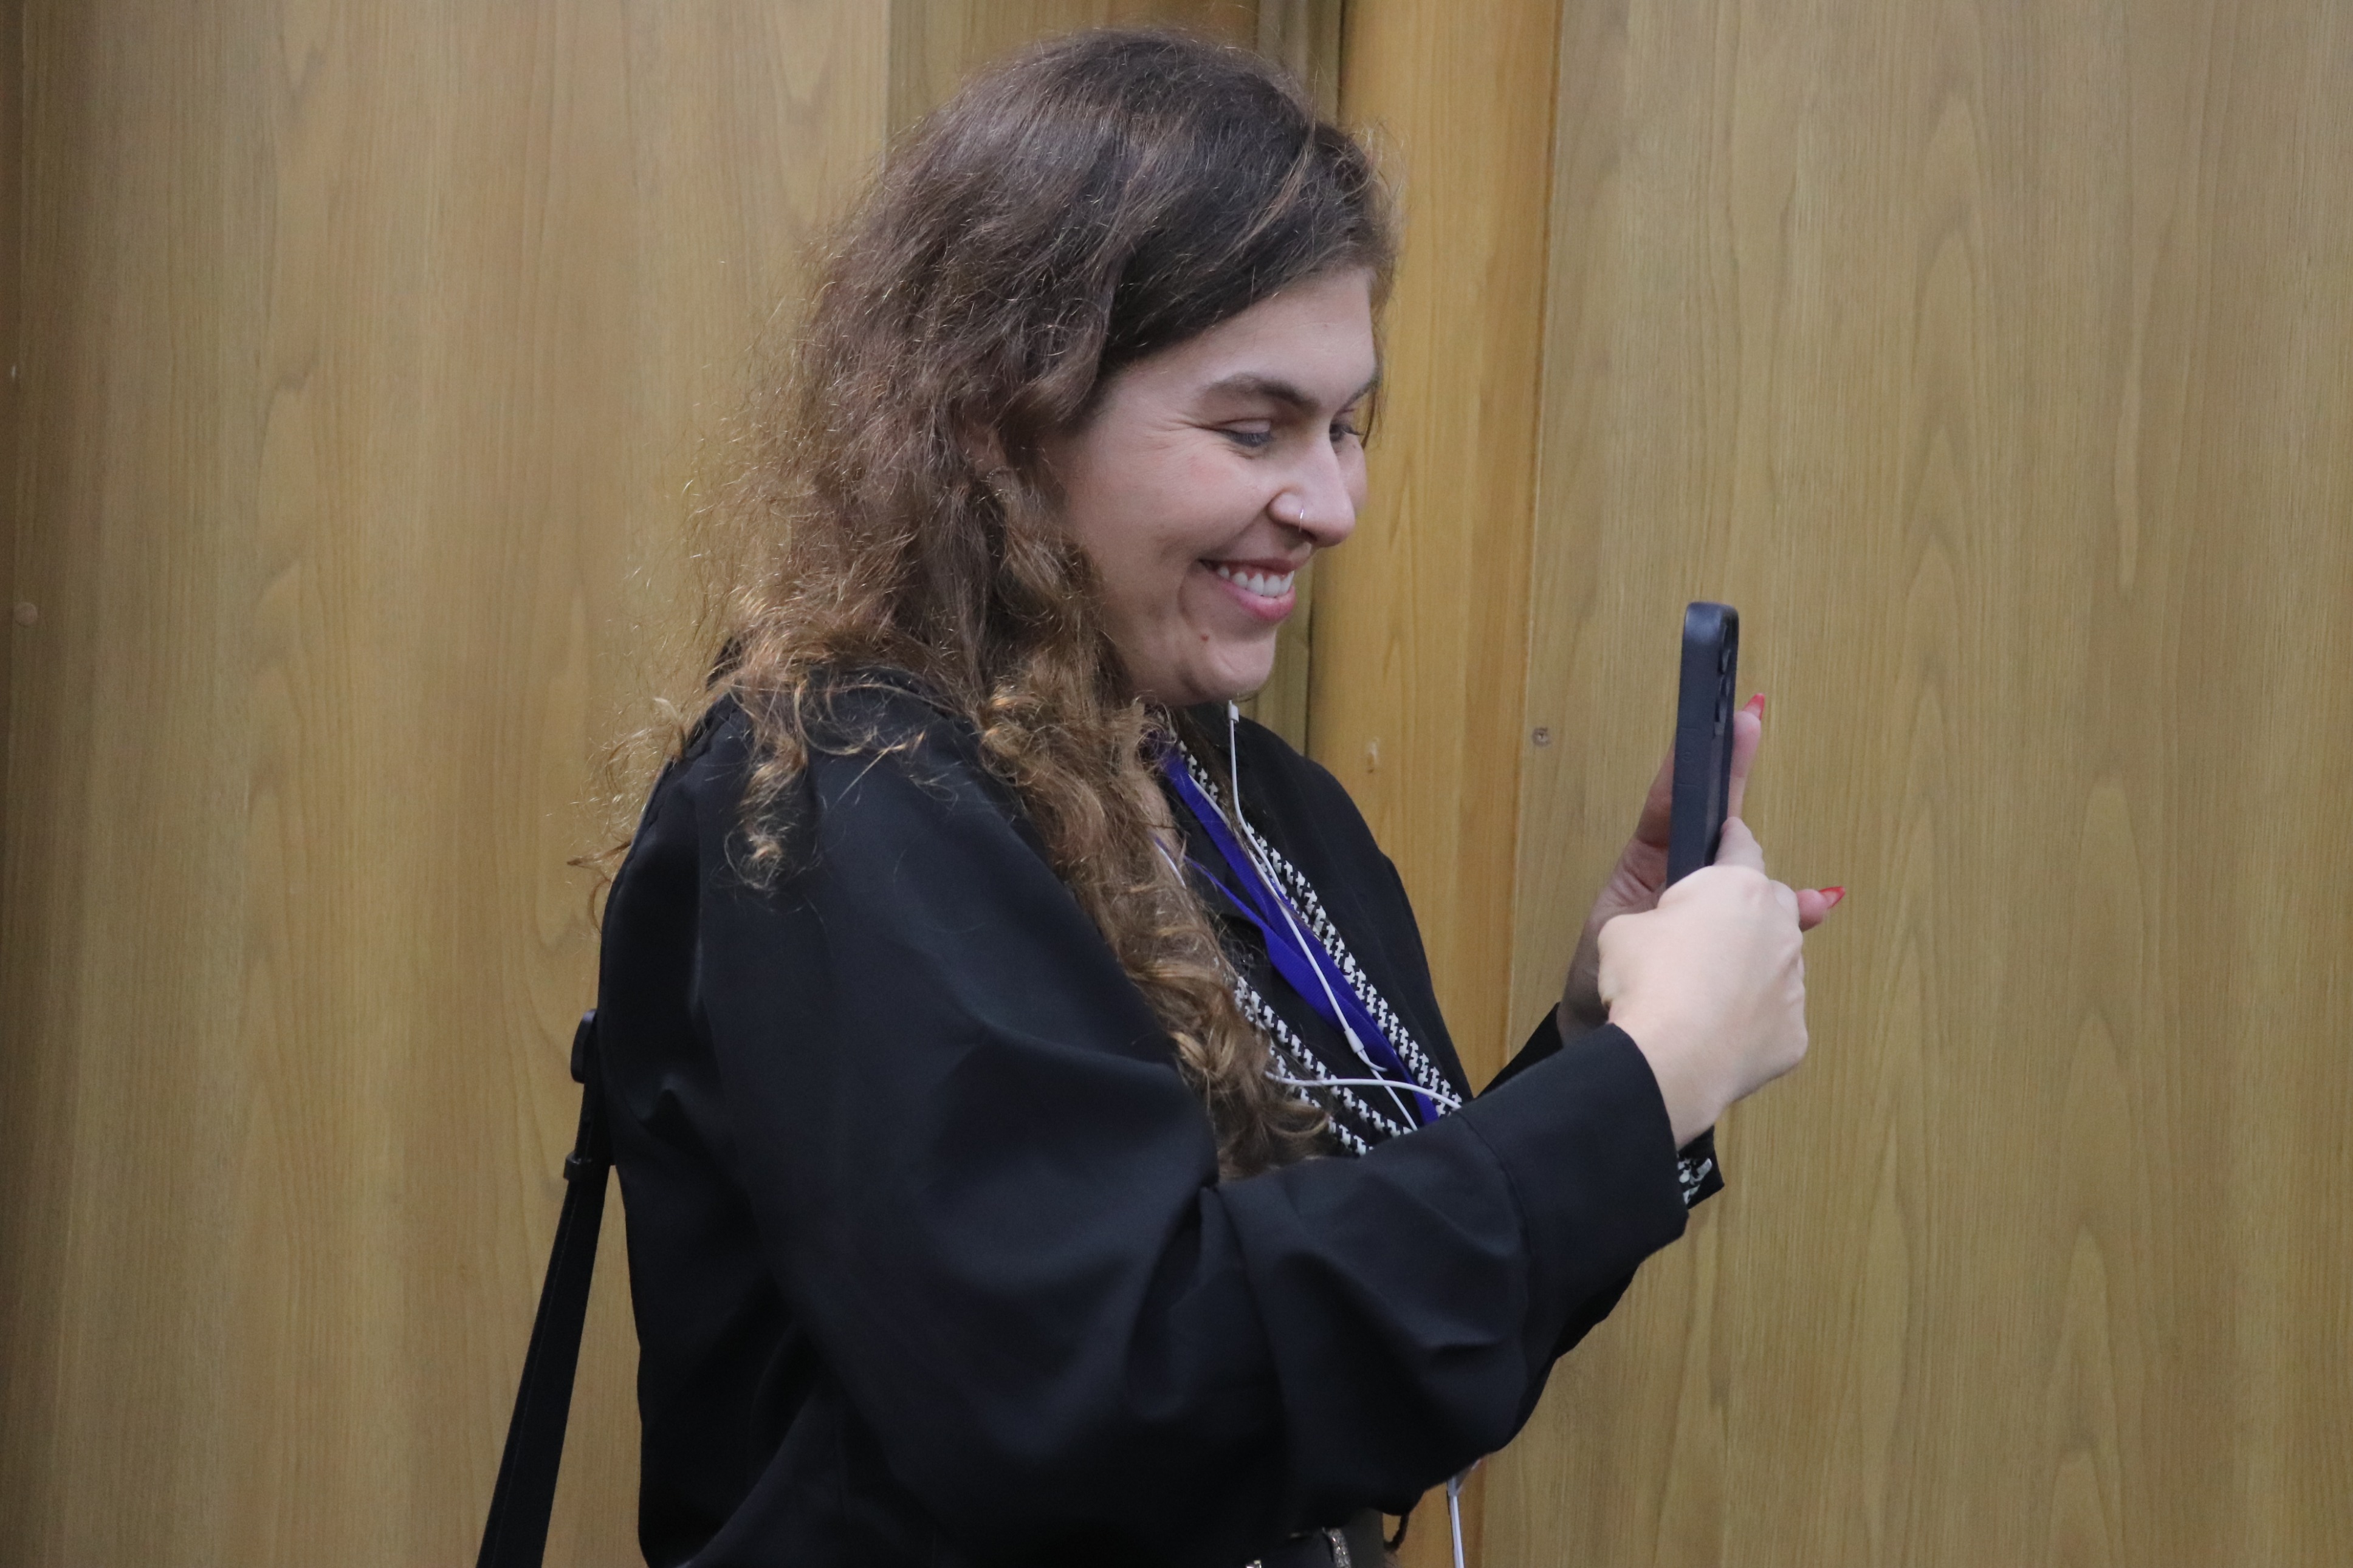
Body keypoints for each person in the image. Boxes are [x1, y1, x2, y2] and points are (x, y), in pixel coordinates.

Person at [591, 28, 1837, 1568]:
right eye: (1254, 429)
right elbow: (1114, 1394)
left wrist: (1598, 1037)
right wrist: (1641, 1086)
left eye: (1348, 426)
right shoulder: (851, 792)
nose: (1331, 503)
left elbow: (1343, 1325)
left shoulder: (1245, 790)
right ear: (1001, 420)